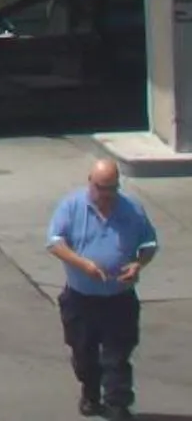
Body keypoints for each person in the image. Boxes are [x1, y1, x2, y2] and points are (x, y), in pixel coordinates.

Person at [46, 156, 159, 417]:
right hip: (81, 299)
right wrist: (82, 264)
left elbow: (150, 244)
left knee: (117, 357)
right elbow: (54, 242)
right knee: (85, 356)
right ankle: (90, 391)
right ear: (90, 183)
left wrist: (138, 265)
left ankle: (118, 404)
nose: (107, 195)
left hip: (119, 299)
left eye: (112, 188)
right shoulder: (72, 206)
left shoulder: (132, 209)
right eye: (101, 188)